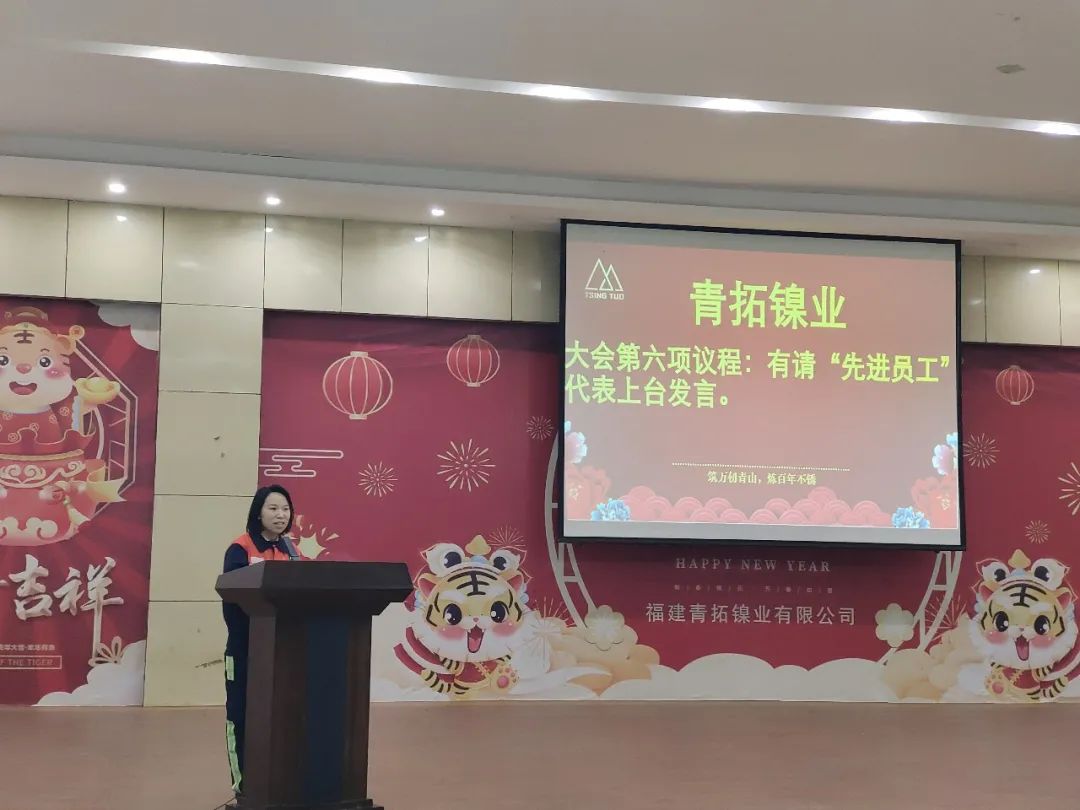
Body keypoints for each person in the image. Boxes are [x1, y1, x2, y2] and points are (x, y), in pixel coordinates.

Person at [222, 484, 300, 799]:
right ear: (258, 512)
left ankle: (279, 782)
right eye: (273, 508)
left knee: (280, 717)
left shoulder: (291, 552)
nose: (281, 515)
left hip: (283, 651)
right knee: (241, 716)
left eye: (286, 509)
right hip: (245, 650)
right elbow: (231, 603)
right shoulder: (240, 549)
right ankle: (244, 787)